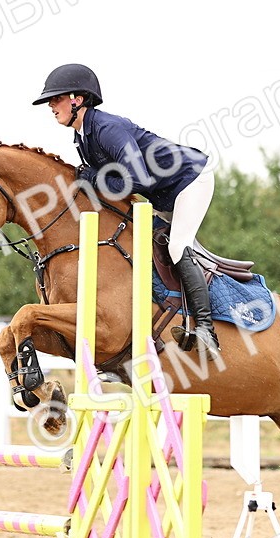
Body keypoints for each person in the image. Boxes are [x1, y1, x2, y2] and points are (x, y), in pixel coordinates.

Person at [32, 63, 220, 357]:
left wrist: (92, 177)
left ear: (77, 99)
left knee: (177, 247)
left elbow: (137, 179)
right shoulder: (83, 137)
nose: (51, 106)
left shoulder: (107, 129)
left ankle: (206, 330)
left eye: (55, 100)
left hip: (190, 180)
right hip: (163, 194)